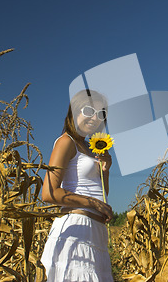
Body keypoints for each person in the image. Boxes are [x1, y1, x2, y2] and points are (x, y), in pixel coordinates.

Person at [41, 89, 114, 281]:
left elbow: (102, 193)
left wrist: (105, 170)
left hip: (95, 232)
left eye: (101, 114)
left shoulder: (91, 150)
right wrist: (93, 203)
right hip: (76, 229)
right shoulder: (66, 142)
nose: (95, 118)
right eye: (89, 111)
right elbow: (48, 193)